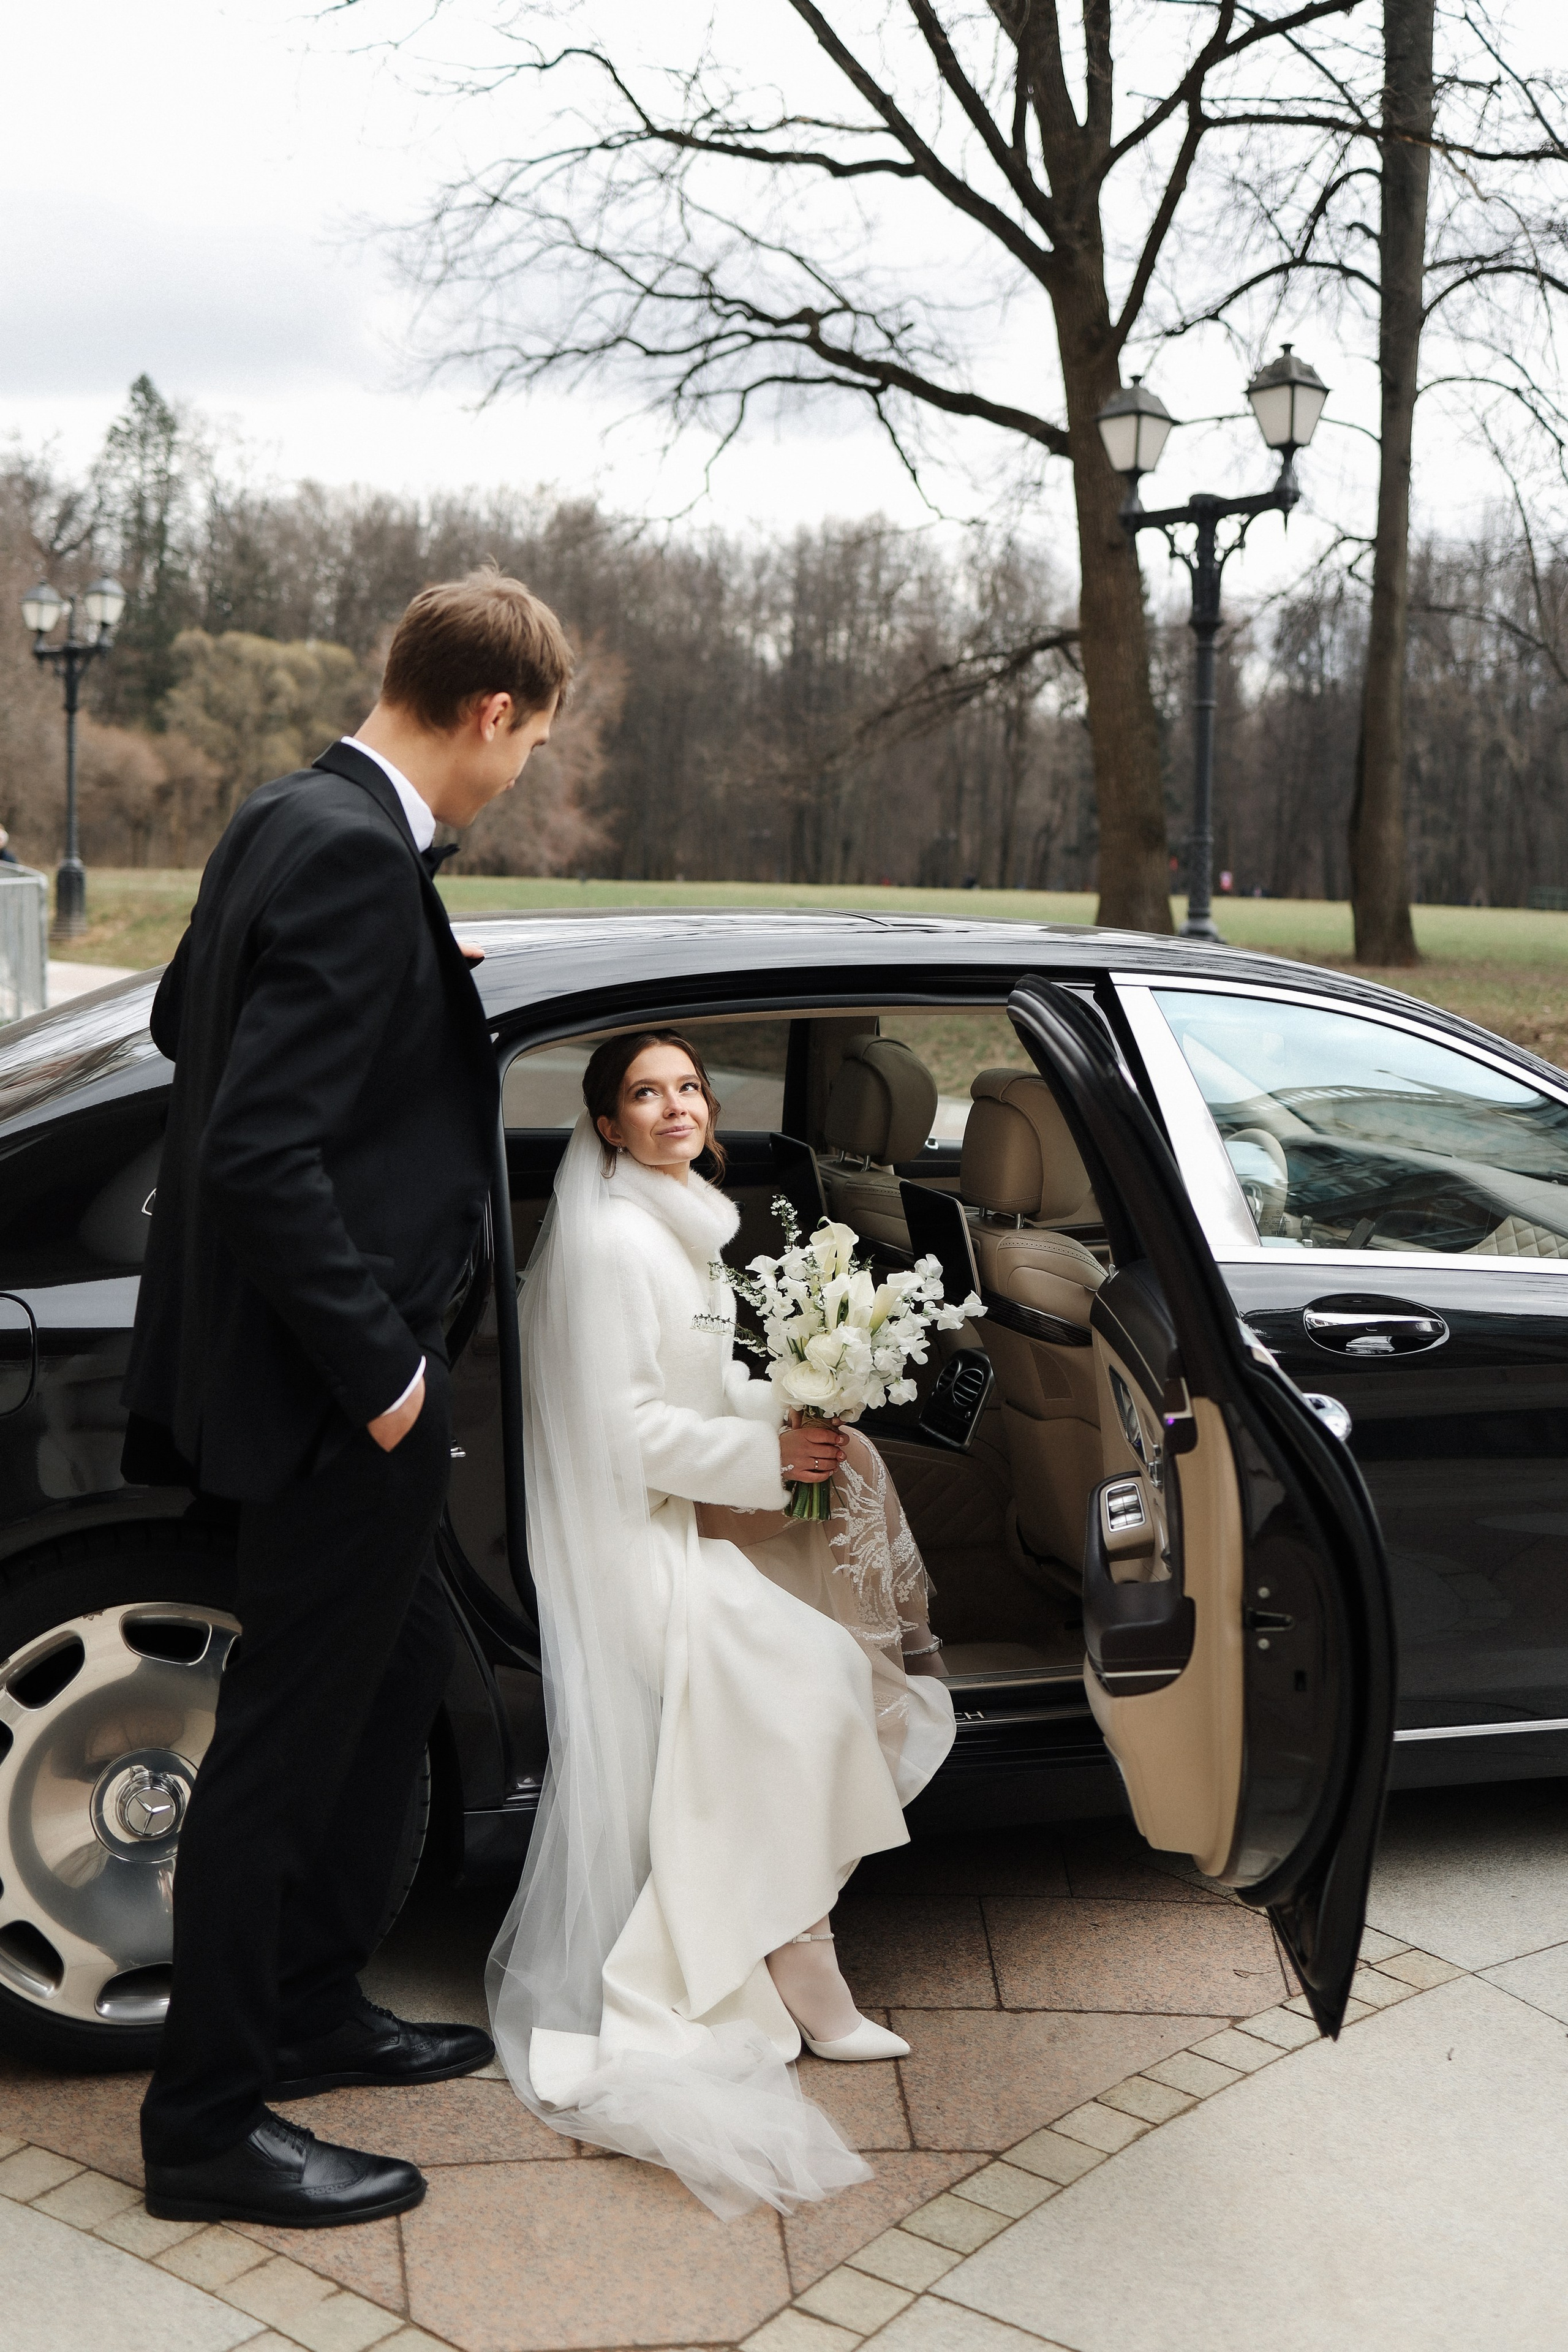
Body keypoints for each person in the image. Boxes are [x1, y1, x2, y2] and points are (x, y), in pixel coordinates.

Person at [123, 568, 573, 2230]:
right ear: (489, 713)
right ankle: (208, 2129)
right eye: (525, 743)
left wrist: (392, 993)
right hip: (337, 1400)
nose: (515, 774)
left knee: (390, 1696)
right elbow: (253, 1149)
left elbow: (190, 1022)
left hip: (324, 1389)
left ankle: (314, 2001)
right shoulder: (347, 853)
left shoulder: (285, 820)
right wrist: (389, 1379)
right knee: (282, 1756)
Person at [487, 1030, 957, 2218]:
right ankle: (799, 1969)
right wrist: (769, 1453)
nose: (673, 1106)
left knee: (812, 1670)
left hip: (668, 1525)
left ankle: (792, 1951)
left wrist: (796, 1404)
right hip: (625, 1551)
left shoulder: (674, 1222)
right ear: (604, 1125)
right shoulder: (608, 1245)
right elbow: (626, 1432)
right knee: (806, 1674)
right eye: (644, 1094)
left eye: (688, 1087)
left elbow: (689, 1394)